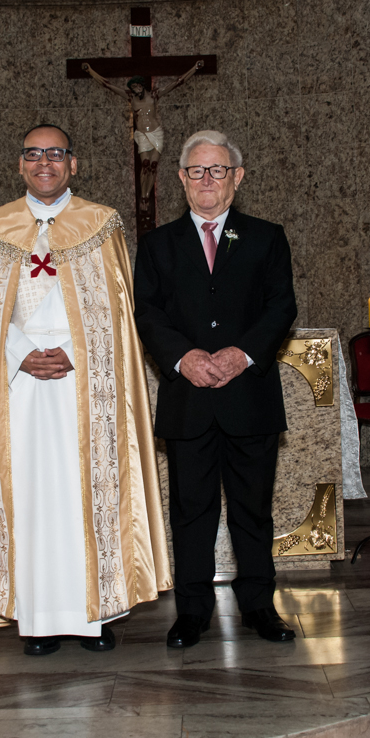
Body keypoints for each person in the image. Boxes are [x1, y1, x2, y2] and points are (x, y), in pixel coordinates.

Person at [0, 124, 171, 656]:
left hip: (84, 380)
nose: (43, 162)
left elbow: (119, 313)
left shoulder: (101, 224)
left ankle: (93, 616)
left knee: (85, 494)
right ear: (20, 164)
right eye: (33, 154)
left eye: (55, 154)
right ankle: (37, 618)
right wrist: (20, 354)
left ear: (73, 163)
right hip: (18, 388)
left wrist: (77, 350)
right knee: (29, 496)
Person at [133, 129, 298, 649]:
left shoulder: (267, 237)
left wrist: (240, 354)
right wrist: (183, 358)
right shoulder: (157, 244)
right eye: (197, 171)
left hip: (249, 395)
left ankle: (258, 606)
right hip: (189, 400)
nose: (208, 180)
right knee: (192, 512)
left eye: (218, 170)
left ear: (237, 177)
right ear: (181, 178)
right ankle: (192, 611)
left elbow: (281, 307)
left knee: (253, 510)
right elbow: (148, 312)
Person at [83, 61, 203, 207]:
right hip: (142, 134)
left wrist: (195, 68)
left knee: (153, 165)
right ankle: (143, 195)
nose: (136, 89)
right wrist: (90, 71)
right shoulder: (130, 97)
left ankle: (146, 195)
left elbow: (177, 82)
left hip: (156, 133)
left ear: (142, 85)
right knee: (144, 164)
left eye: (137, 86)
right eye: (133, 88)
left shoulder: (154, 95)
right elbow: (107, 85)